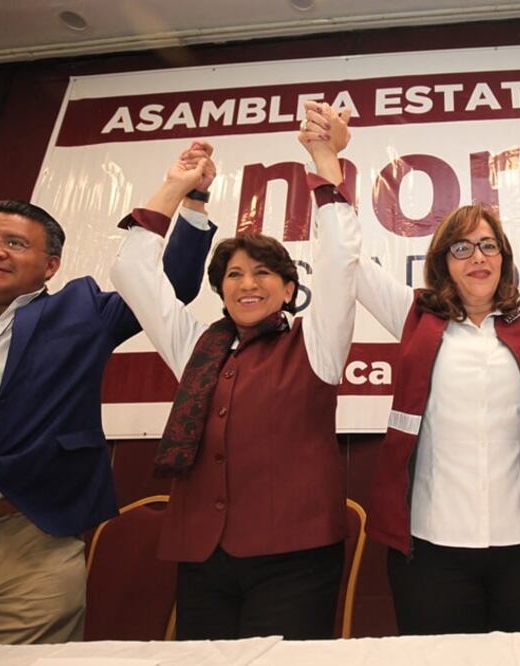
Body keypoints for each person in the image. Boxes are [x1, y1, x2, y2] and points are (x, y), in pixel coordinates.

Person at [301, 102, 520, 634]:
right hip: (430, 553)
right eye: (462, 246)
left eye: (489, 245)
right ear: (443, 261)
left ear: (504, 258)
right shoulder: (413, 314)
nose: (478, 256)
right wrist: (327, 160)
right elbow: (345, 259)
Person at [0, 146, 216, 644]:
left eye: (13, 243)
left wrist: (189, 196)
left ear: (50, 266)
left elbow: (168, 283)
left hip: (31, 541)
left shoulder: (82, 312)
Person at [110, 132, 360, 640]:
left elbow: (340, 257)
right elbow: (131, 270)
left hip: (295, 557)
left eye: (264, 273)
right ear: (221, 290)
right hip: (203, 555)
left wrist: (324, 160)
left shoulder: (317, 343)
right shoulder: (196, 350)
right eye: (234, 275)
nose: (248, 284)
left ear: (290, 289)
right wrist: (177, 188)